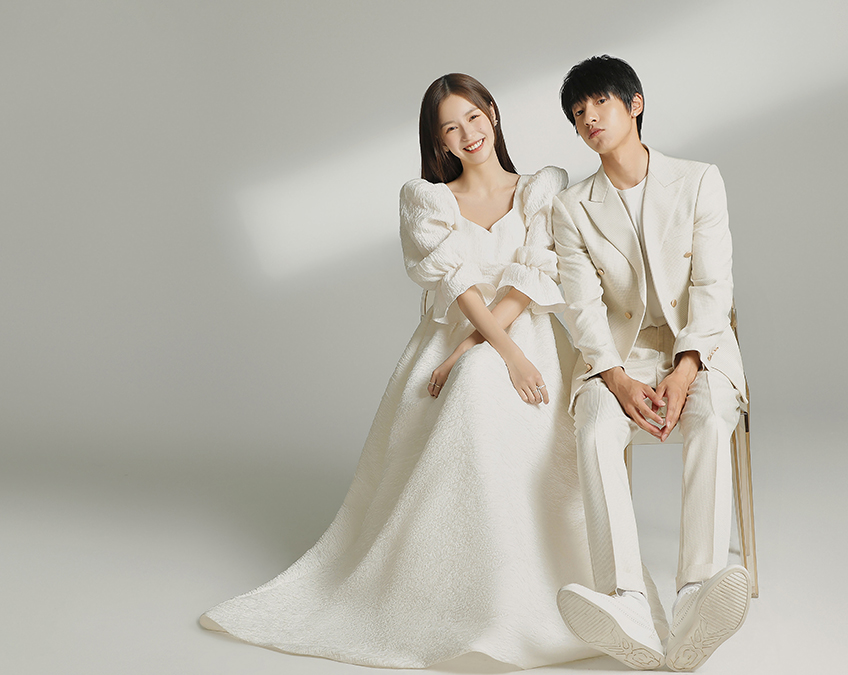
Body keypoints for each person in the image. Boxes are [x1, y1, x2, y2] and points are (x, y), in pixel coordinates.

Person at [199, 73, 598, 669]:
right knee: (472, 390)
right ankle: (453, 600)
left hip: (529, 339)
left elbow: (536, 273)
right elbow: (459, 284)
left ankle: (528, 597)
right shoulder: (429, 201)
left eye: (473, 117)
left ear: (492, 112)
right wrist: (482, 352)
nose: (467, 134)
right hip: (459, 338)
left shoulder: (542, 189)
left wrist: (489, 352)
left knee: (478, 381)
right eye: (450, 128)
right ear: (438, 141)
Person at [550, 55, 752, 671]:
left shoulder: (698, 181)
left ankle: (695, 595)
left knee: (711, 413)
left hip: (698, 345)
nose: (589, 119)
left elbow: (714, 287)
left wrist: (687, 367)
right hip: (617, 356)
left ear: (634, 104)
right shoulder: (571, 207)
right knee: (593, 428)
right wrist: (615, 377)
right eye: (578, 112)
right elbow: (583, 308)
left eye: (600, 103)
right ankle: (629, 601)